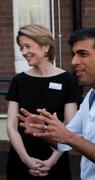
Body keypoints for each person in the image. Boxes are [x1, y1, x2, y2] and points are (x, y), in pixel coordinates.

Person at [18, 27, 95, 180]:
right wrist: (44, 129)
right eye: (74, 54)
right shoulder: (92, 96)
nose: (74, 61)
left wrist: (68, 137)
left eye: (82, 54)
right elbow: (64, 142)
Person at [6, 24, 82, 179]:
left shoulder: (68, 80)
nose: (23, 52)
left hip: (55, 161)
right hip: (21, 159)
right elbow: (11, 125)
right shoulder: (18, 80)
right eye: (21, 48)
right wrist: (26, 159)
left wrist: (51, 161)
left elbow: (70, 125)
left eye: (27, 46)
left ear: (45, 47)